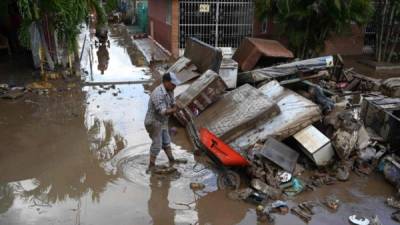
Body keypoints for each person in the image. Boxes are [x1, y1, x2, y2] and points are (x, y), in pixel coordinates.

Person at [144, 72, 185, 171]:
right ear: (166, 82)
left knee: (166, 141)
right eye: (173, 84)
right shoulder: (158, 93)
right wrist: (175, 109)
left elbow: (173, 103)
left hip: (162, 122)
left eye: (175, 84)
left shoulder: (170, 90)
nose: (175, 86)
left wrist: (176, 106)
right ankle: (151, 165)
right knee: (157, 144)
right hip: (153, 122)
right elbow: (162, 111)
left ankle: (171, 160)